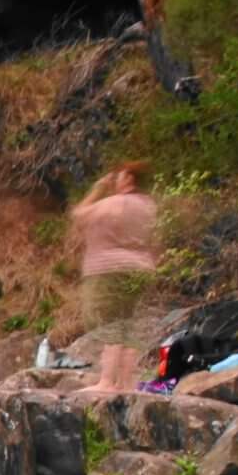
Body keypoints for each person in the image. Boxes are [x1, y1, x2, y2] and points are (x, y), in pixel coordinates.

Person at [69, 163, 159, 389]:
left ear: (128, 178)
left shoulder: (113, 205)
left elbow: (78, 215)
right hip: (141, 268)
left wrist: (97, 189)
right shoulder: (149, 206)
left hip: (108, 269)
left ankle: (106, 381)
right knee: (129, 324)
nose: (115, 179)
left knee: (109, 322)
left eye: (119, 175)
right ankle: (127, 382)